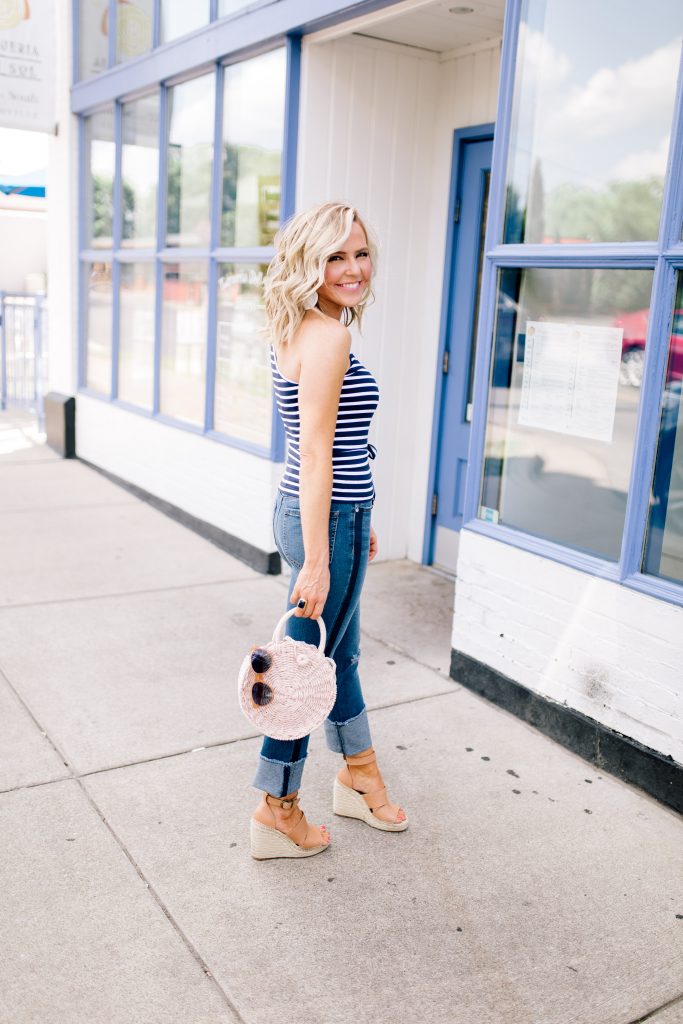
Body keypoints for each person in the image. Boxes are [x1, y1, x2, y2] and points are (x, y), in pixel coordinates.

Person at [249, 201, 408, 860]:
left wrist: (354, 524)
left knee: (334, 657)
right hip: (325, 519)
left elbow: (330, 447)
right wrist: (321, 557)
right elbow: (315, 452)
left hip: (332, 516)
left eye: (360, 253)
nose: (353, 268)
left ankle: (358, 772)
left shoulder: (298, 326)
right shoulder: (329, 337)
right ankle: (275, 806)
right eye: (335, 256)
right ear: (309, 264)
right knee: (304, 668)